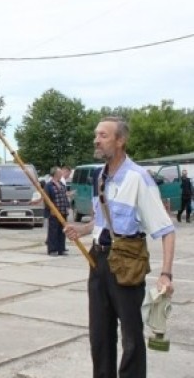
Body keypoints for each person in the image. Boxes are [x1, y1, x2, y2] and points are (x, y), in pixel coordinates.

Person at [64, 116, 175, 378]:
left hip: (127, 263)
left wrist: (166, 273)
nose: (96, 140)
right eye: (96, 135)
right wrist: (81, 229)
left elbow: (166, 230)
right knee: (100, 336)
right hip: (98, 261)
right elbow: (101, 221)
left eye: (103, 135)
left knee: (132, 337)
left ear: (120, 140)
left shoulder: (139, 178)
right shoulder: (98, 176)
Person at [45, 167, 69, 256]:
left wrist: (67, 207)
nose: (61, 174)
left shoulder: (61, 184)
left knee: (62, 231)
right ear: (55, 174)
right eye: (60, 172)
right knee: (53, 231)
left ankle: (61, 249)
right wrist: (50, 209)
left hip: (63, 211)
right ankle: (52, 249)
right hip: (54, 212)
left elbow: (64, 196)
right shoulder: (49, 185)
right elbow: (46, 198)